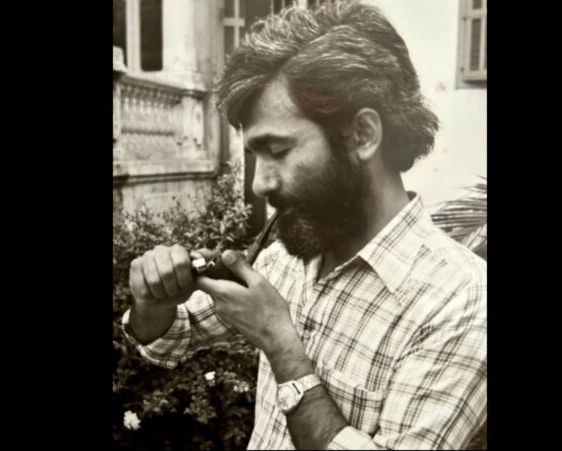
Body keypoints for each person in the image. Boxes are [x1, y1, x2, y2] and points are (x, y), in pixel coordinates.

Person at [122, 2, 486, 449]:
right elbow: (168, 338)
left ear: (363, 135)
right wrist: (152, 298)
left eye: (278, 150)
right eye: (255, 156)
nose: (259, 185)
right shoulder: (288, 258)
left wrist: (282, 345)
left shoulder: (462, 305)